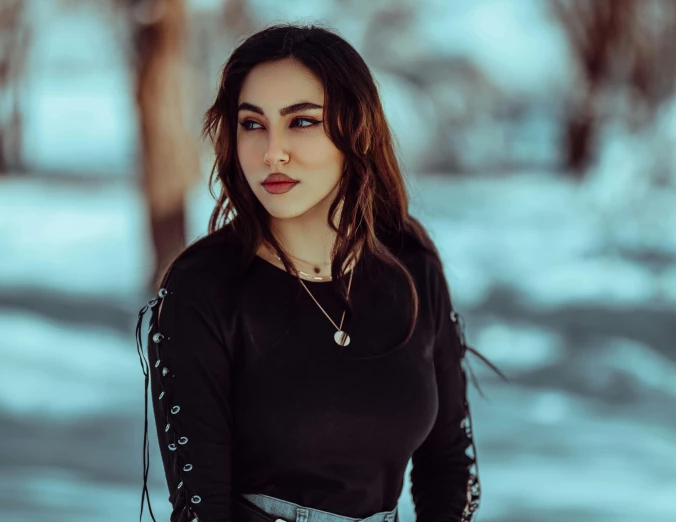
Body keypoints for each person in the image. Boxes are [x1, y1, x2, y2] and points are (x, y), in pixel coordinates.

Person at [135, 23, 500, 522]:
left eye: (301, 122)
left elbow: (447, 467)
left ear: (356, 129)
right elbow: (203, 509)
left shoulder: (411, 266)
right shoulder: (203, 288)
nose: (271, 152)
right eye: (252, 124)